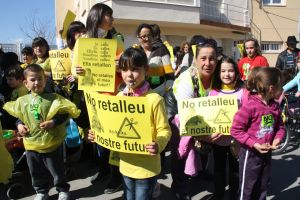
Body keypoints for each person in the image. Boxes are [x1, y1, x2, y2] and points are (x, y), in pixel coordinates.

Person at [3, 64, 80, 200]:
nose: (37, 82)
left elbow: (64, 113)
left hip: (52, 143)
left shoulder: (54, 98)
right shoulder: (22, 101)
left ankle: (62, 189)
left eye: (40, 79)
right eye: (33, 80)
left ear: (45, 80)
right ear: (25, 83)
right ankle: (41, 191)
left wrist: (53, 122)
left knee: (57, 169)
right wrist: (20, 125)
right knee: (36, 170)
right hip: (32, 144)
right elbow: (19, 116)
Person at [75, 2, 125, 194]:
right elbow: (75, 68)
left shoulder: (116, 40)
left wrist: (119, 66)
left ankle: (116, 176)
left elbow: (127, 68)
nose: (112, 19)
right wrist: (77, 70)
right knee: (98, 138)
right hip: (93, 97)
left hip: (112, 97)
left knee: (112, 138)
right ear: (98, 16)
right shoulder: (83, 41)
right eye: (109, 15)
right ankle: (103, 170)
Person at [116, 47, 171, 200]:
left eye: (134, 69)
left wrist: (158, 144)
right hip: (126, 164)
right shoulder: (118, 98)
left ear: (146, 70)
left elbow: (164, 130)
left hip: (147, 167)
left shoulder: (154, 100)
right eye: (125, 69)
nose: (129, 75)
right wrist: (99, 134)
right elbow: (112, 127)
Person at [171, 41, 218, 200]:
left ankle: (201, 171)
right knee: (181, 151)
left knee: (206, 143)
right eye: (203, 58)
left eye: (212, 59)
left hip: (204, 114)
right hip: (179, 113)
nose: (208, 63)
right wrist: (199, 134)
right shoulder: (187, 80)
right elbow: (186, 116)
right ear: (196, 60)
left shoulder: (218, 76)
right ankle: (179, 185)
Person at [231, 67, 285, 200]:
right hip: (250, 154)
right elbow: (235, 130)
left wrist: (277, 139)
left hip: (266, 154)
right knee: (247, 188)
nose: (282, 89)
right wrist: (254, 144)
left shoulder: (275, 107)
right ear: (271, 88)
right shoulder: (250, 106)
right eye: (281, 86)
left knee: (263, 186)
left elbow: (280, 127)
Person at [208, 57, 245, 200]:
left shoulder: (243, 92)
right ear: (218, 73)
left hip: (237, 141)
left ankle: (234, 196)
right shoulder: (213, 92)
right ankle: (218, 195)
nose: (227, 74)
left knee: (235, 171)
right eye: (223, 71)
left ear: (236, 72)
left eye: (230, 70)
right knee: (218, 170)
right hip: (219, 140)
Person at [135, 23, 174, 96]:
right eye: (144, 36)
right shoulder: (136, 52)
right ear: (138, 37)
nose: (147, 38)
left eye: (149, 35)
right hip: (140, 94)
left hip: (159, 92)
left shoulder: (161, 50)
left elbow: (169, 73)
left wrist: (168, 90)